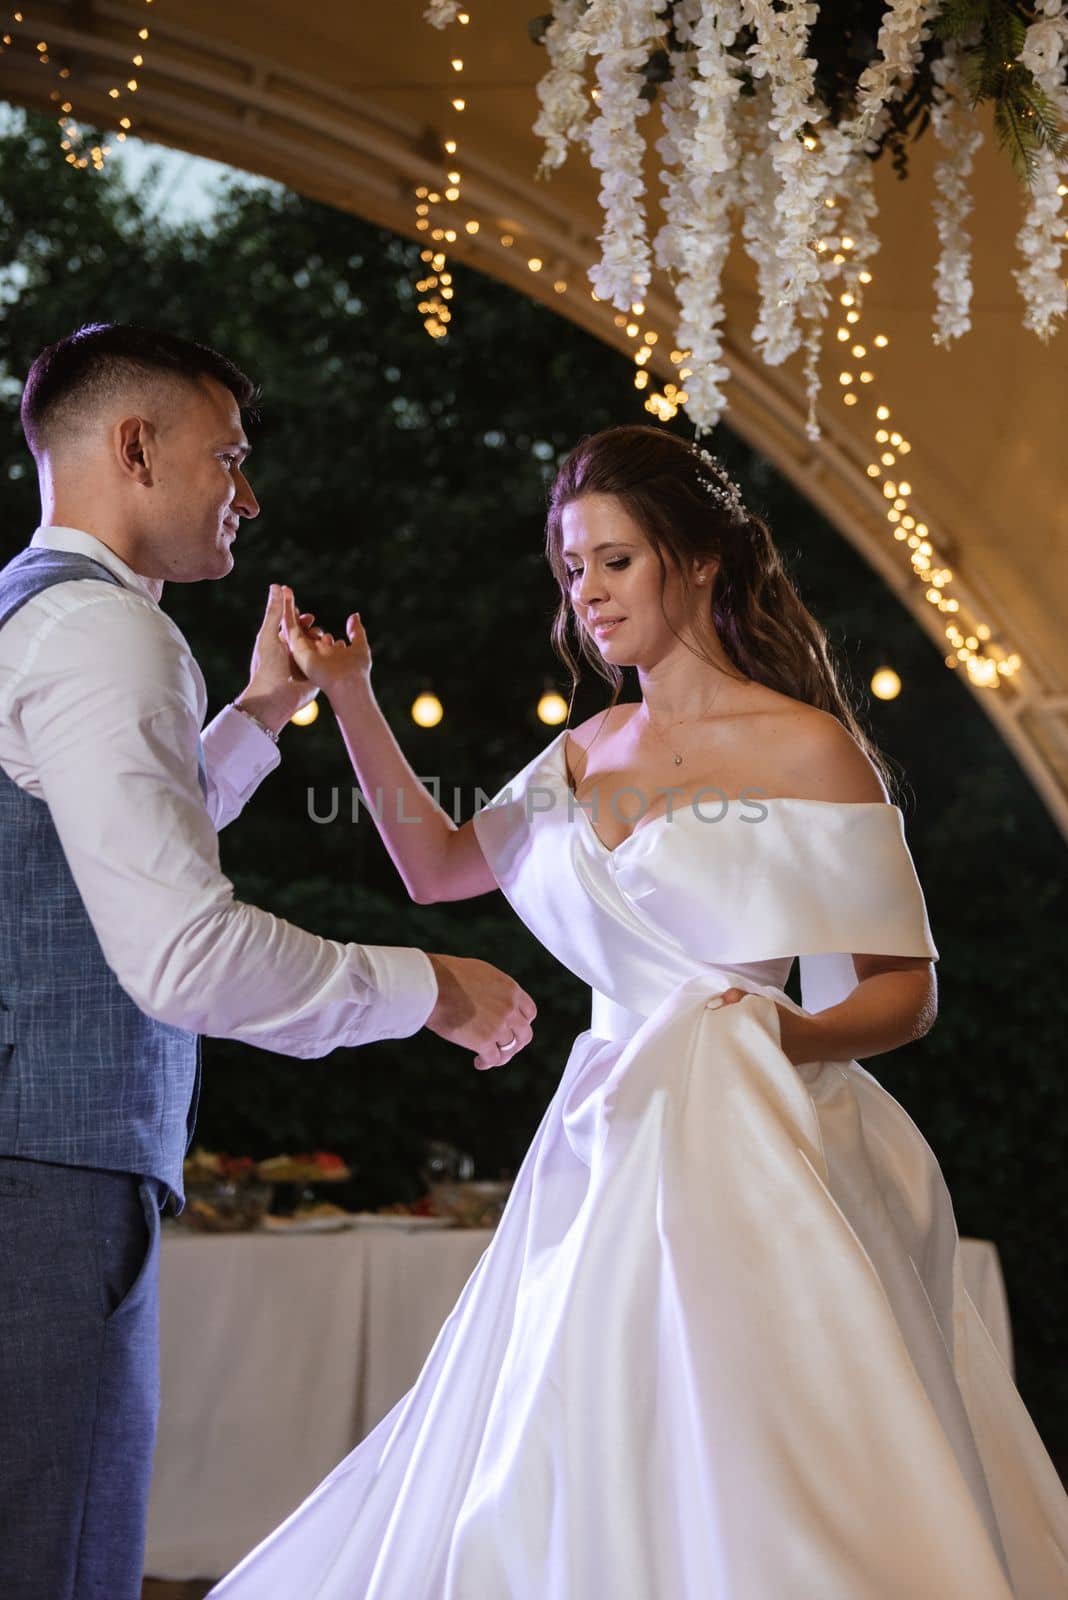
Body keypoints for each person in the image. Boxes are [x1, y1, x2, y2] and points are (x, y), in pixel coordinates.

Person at [210, 425, 1068, 1598]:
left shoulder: (809, 749)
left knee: (757, 1455)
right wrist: (352, 699)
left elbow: (904, 989)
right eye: (572, 568)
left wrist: (765, 1039)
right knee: (564, 1448)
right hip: (601, 1145)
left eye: (616, 559)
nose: (590, 592)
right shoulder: (583, 751)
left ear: (701, 559)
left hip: (761, 1155)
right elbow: (439, 866)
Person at [0, 323, 536, 1600]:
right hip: (50, 1170)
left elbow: (109, 838)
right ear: (135, 447)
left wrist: (257, 717)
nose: (250, 494)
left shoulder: (35, 610)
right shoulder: (106, 636)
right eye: (228, 458)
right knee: (59, 1557)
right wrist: (428, 985)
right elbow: (183, 949)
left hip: (33, 1151)